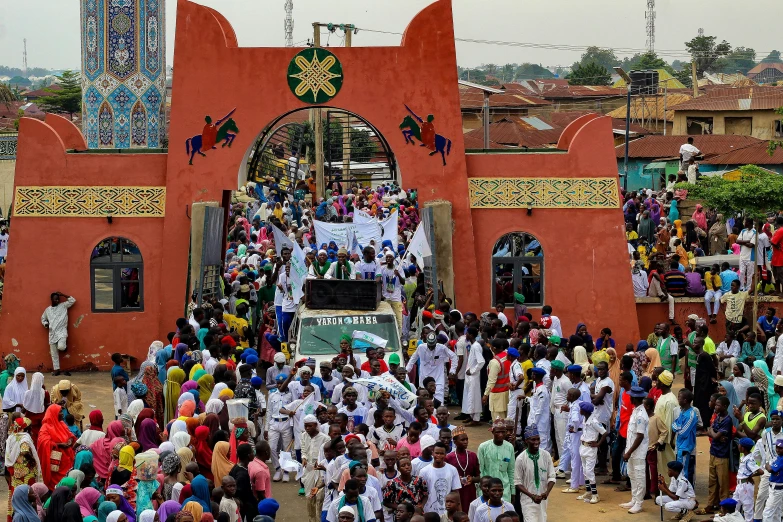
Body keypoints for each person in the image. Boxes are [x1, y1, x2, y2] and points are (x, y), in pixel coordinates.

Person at [514, 424, 555, 522]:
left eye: (538, 439)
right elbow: (517, 482)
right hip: (528, 500)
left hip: (543, 499)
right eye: (533, 440)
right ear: (526, 441)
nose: (536, 442)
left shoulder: (546, 455)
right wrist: (531, 495)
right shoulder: (521, 459)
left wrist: (546, 492)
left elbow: (552, 477)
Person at [405, 332, 457, 404]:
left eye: (433, 346)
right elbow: (413, 358)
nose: (431, 348)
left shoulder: (442, 348)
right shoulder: (421, 347)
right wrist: (407, 370)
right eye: (430, 346)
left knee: (439, 402)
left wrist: (452, 371)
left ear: (436, 342)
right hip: (424, 379)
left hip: (438, 380)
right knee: (424, 402)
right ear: (427, 342)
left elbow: (454, 356)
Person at [620, 386, 649, 514]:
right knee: (632, 474)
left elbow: (640, 436)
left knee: (639, 476)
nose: (630, 397)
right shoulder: (636, 411)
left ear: (635, 398)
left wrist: (629, 451)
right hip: (631, 450)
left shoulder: (641, 415)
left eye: (631, 396)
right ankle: (634, 499)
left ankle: (639, 503)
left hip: (638, 452)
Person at [703, 395, 733, 515]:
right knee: (712, 481)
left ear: (725, 406)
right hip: (713, 452)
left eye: (718, 405)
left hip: (722, 456)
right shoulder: (718, 416)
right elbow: (710, 431)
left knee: (723, 484)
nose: (715, 406)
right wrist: (714, 433)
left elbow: (713, 434)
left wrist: (713, 433)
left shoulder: (727, 420)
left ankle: (724, 509)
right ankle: (710, 505)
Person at [754, 410, 783, 520]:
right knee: (761, 495)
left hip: (781, 469)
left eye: (777, 419)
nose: (775, 421)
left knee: (779, 498)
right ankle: (757, 518)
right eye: (773, 419)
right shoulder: (766, 432)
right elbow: (764, 448)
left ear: (782, 420)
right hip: (769, 468)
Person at [477, 419, 515, 502]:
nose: (501, 435)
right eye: (498, 432)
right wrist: (481, 491)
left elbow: (511, 471)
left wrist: (513, 492)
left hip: (504, 490)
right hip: (487, 490)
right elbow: (480, 470)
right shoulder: (483, 447)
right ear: (492, 432)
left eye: (503, 432)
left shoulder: (509, 447)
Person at [419, 443, 460, 515]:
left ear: (445, 454)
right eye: (437, 453)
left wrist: (459, 511)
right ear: (432, 453)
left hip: (447, 513)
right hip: (429, 512)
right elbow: (421, 493)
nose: (439, 456)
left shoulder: (452, 470)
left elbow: (455, 492)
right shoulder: (424, 471)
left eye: (441, 453)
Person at [444, 426, 479, 512]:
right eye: (462, 440)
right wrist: (455, 479)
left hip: (469, 491)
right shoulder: (449, 458)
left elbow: (479, 477)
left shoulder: (473, 456)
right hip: (456, 491)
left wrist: (472, 479)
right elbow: (445, 477)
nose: (466, 442)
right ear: (455, 442)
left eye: (466, 439)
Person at [40, 292, 76, 376]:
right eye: (55, 298)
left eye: (58, 299)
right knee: (54, 353)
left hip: (62, 331)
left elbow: (73, 300)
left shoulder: (63, 305)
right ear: (51, 299)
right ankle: (56, 369)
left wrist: (63, 294)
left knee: (61, 347)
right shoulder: (48, 310)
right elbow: (43, 318)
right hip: (52, 333)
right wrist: (46, 324)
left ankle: (64, 347)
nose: (57, 300)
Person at [482, 338, 511, 420]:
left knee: (498, 422)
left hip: (497, 395)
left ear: (494, 348)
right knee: (507, 420)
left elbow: (491, 381)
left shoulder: (495, 362)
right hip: (507, 392)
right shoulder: (507, 355)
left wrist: (485, 395)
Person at [460, 327, 484, 426]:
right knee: (469, 396)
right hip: (470, 376)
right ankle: (471, 416)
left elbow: (481, 361)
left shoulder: (476, 346)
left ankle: (476, 419)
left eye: (468, 333)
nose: (466, 335)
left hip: (473, 376)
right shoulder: (473, 345)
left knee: (473, 397)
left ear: (472, 335)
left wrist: (473, 371)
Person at [763, 439, 783, 521]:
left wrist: (766, 464)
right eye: (777, 447)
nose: (777, 449)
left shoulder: (782, 459)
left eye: (780, 448)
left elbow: (771, 469)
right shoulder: (779, 457)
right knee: (776, 512)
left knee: (767, 512)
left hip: (777, 489)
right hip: (776, 488)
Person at [736, 218, 757, 292]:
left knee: (749, 274)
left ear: (749, 223)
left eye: (746, 222)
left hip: (751, 257)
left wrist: (742, 242)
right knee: (741, 272)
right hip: (742, 256)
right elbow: (737, 241)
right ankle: (741, 288)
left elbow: (751, 245)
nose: (744, 223)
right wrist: (747, 241)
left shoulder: (754, 232)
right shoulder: (743, 231)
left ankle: (748, 289)